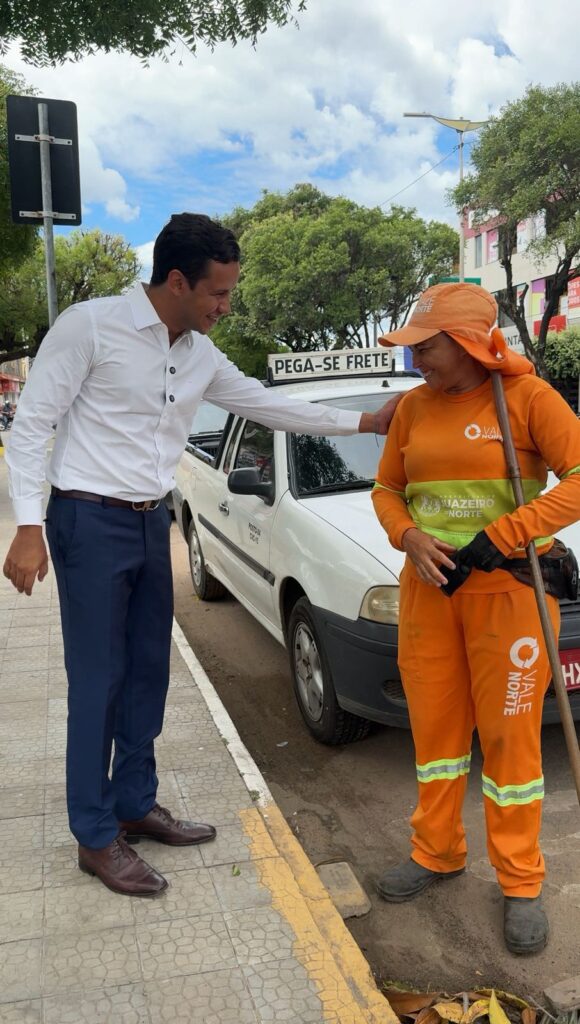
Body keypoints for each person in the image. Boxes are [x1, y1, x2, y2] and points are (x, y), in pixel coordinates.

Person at [3, 212, 401, 898]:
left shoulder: (199, 355)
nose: (226, 307)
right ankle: (95, 835)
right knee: (99, 681)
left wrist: (365, 421)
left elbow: (267, 405)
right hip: (87, 521)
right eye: (219, 293)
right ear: (177, 281)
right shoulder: (90, 326)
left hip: (149, 522)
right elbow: (33, 422)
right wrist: (28, 526)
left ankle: (134, 802)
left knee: (148, 673)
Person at [371, 282, 580, 955]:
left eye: (426, 348)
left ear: (466, 344)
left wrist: (509, 531)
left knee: (511, 743)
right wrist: (407, 536)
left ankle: (520, 881)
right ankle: (436, 851)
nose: (416, 361)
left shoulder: (527, 399)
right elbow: (387, 488)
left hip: (510, 596)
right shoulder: (411, 408)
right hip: (429, 595)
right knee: (435, 735)